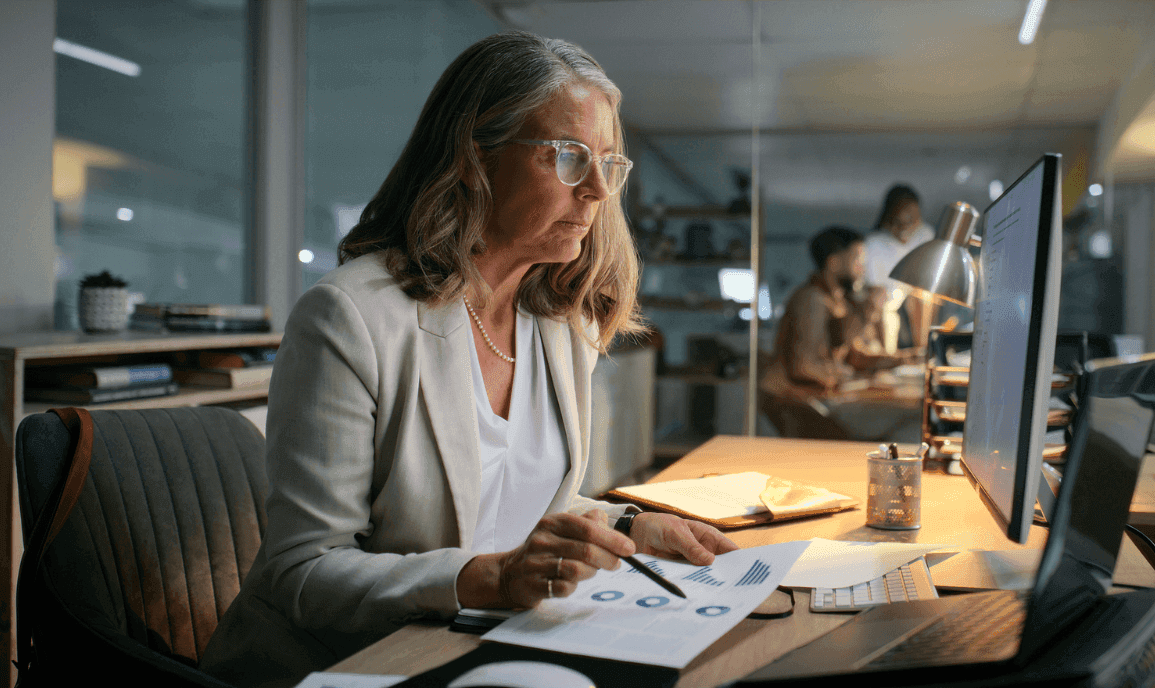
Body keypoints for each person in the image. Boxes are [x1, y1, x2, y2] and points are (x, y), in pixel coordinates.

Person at [201, 32, 736, 688]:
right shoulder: (349, 317)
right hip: (341, 664)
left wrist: (629, 529)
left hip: (471, 645)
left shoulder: (560, 323)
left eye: (607, 163)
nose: (597, 190)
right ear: (472, 158)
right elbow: (304, 575)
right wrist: (488, 578)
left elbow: (523, 503)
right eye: (567, 157)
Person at [760, 226, 909, 439]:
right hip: (791, 401)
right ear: (834, 262)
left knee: (888, 429)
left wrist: (904, 358)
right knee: (875, 440)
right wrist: (841, 376)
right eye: (858, 260)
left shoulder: (837, 300)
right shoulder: (812, 299)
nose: (863, 269)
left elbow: (854, 355)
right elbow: (803, 366)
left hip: (809, 399)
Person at [864, 184, 934, 351]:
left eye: (911, 220)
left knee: (924, 296)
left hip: (914, 294)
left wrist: (922, 348)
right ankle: (887, 356)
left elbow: (923, 291)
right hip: (886, 301)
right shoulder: (875, 244)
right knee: (884, 309)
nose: (905, 228)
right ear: (888, 219)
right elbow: (877, 297)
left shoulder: (925, 235)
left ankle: (922, 350)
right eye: (898, 222)